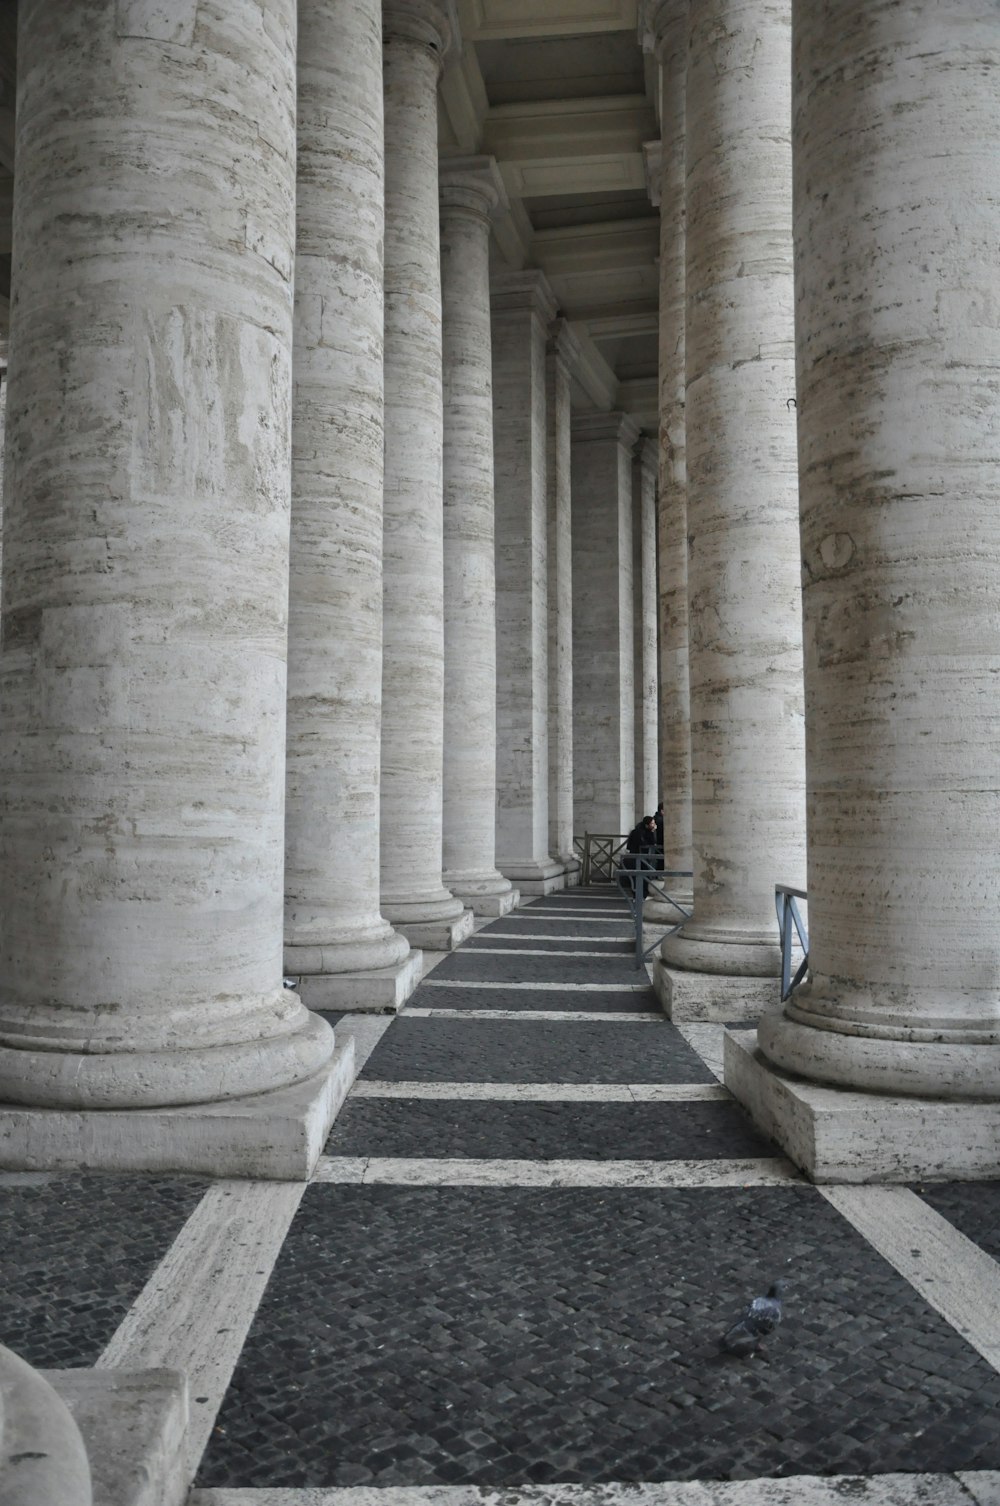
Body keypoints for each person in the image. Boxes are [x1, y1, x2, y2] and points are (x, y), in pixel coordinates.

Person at [620, 814, 659, 896]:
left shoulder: (640, 831)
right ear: (646, 825)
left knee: (641, 877)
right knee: (640, 877)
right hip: (638, 858)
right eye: (652, 823)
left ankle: (639, 894)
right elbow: (648, 843)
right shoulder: (640, 832)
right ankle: (639, 894)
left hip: (640, 857)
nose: (654, 825)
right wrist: (652, 832)